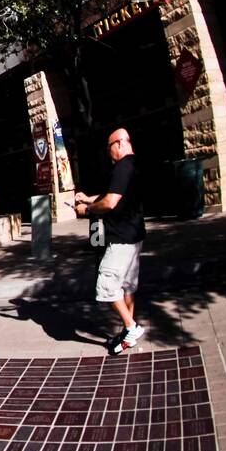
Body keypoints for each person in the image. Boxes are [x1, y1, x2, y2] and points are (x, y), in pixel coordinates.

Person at [74, 127, 145, 355]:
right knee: (127, 284)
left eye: (109, 148)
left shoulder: (122, 167)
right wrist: (88, 197)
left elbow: (110, 203)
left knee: (106, 283)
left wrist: (87, 209)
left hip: (122, 237)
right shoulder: (132, 166)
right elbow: (111, 194)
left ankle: (131, 327)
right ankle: (128, 330)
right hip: (134, 236)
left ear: (119, 144)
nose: (108, 153)